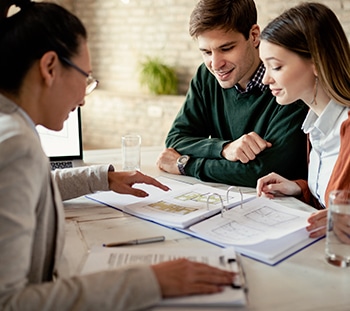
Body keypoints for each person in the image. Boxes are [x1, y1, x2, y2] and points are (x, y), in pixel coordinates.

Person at [0, 1, 235, 310]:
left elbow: (32, 188)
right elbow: (10, 302)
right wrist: (151, 281)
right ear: (50, 67)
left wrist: (103, 177)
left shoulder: (11, 126)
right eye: (86, 77)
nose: (84, 97)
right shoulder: (16, 145)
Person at [156, 0, 309, 187]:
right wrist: (224, 149)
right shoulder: (207, 76)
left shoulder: (286, 85)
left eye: (226, 48)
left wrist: (186, 164)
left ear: (254, 36)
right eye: (206, 52)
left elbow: (262, 172)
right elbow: (176, 140)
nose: (215, 64)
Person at [255, 2, 350, 239]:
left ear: (316, 63)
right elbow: (332, 199)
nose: (266, 79)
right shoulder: (314, 127)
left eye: (275, 66)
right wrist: (299, 188)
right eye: (264, 67)